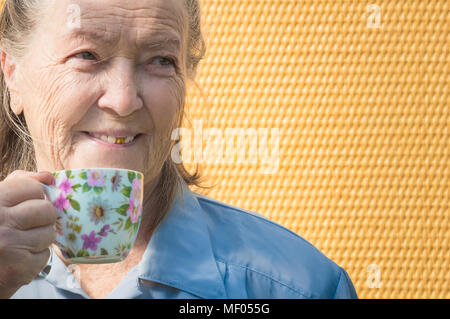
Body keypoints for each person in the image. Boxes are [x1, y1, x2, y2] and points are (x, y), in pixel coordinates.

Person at [0, 0, 358, 299]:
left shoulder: (301, 287)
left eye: (161, 60)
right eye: (87, 54)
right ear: (12, 74)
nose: (124, 100)